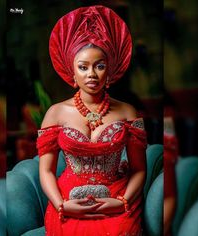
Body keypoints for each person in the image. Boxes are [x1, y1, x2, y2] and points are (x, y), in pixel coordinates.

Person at [37, 5, 147, 236]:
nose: (92, 74)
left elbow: (139, 169)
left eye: (99, 66)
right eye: (83, 67)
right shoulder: (55, 113)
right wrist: (61, 205)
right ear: (72, 73)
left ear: (110, 71)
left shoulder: (128, 112)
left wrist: (122, 202)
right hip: (67, 199)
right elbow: (46, 171)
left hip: (117, 196)